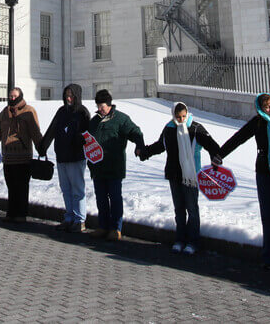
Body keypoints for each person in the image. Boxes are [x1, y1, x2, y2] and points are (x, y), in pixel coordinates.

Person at [220, 93, 270, 271]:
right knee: (268, 215)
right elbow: (238, 139)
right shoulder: (258, 122)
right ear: (260, 109)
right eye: (266, 107)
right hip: (265, 172)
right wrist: (219, 154)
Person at [141, 102, 223, 254]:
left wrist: (216, 157)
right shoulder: (169, 129)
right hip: (174, 173)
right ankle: (180, 239)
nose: (181, 120)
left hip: (191, 175)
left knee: (192, 209)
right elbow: (160, 146)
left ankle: (193, 241)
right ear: (173, 116)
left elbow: (211, 145)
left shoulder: (195, 128)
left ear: (188, 114)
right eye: (178, 117)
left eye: (184, 116)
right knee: (179, 209)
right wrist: (145, 152)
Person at [86, 89, 145, 241]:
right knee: (101, 199)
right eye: (98, 106)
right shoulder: (94, 121)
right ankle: (103, 226)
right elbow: (87, 139)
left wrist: (140, 145)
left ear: (109, 105)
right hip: (97, 168)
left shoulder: (121, 119)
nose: (100, 109)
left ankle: (116, 228)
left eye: (102, 107)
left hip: (114, 166)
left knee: (115, 198)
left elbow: (135, 132)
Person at [0, 87, 42, 223]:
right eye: (10, 96)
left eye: (15, 96)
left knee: (22, 187)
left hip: (23, 156)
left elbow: (35, 132)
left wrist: (41, 147)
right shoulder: (4, 112)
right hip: (8, 157)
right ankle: (11, 212)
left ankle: (21, 214)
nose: (12, 98)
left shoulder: (29, 111)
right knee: (11, 186)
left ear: (20, 96)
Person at [38, 83, 90, 232]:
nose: (68, 97)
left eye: (71, 95)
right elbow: (52, 129)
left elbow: (88, 135)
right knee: (66, 189)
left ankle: (80, 220)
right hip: (62, 157)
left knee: (77, 189)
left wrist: (78, 141)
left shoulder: (82, 112)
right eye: (66, 94)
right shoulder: (61, 111)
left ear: (77, 96)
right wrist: (43, 146)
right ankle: (69, 218)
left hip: (76, 157)